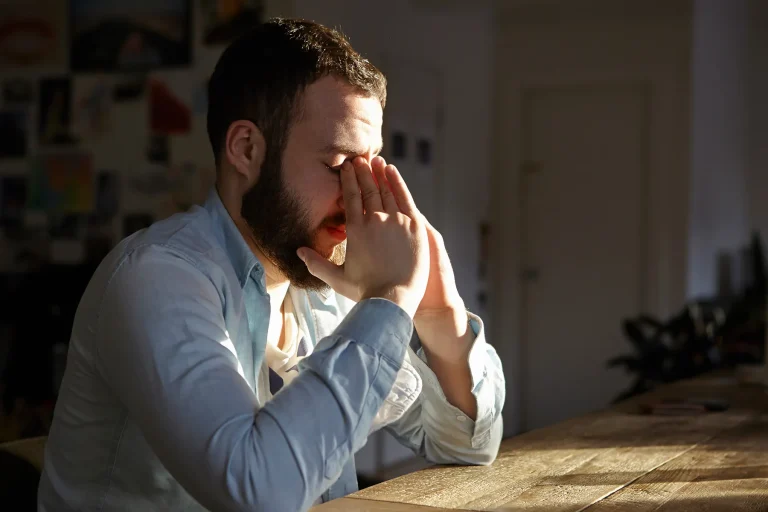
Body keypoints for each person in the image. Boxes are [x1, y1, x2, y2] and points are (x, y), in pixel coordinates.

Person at [38, 18, 505, 511]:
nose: (360, 198)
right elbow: (258, 494)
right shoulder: (154, 279)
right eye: (339, 165)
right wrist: (390, 301)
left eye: (370, 166)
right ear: (246, 149)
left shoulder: (325, 286)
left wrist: (439, 316)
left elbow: (468, 444)